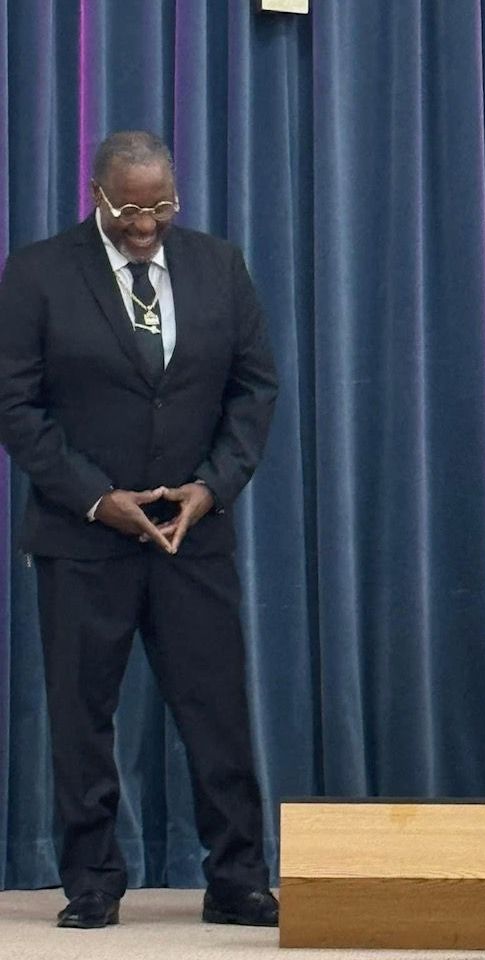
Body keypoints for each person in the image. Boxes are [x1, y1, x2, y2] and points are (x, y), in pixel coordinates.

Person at [0, 132, 279, 927]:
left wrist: (213, 488)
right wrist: (97, 498)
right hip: (83, 537)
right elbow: (15, 406)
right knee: (82, 715)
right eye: (130, 208)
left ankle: (237, 879)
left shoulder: (219, 265)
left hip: (195, 532)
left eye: (161, 206)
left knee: (218, 711)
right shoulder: (38, 273)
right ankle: (92, 883)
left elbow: (254, 389)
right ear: (96, 194)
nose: (146, 224)